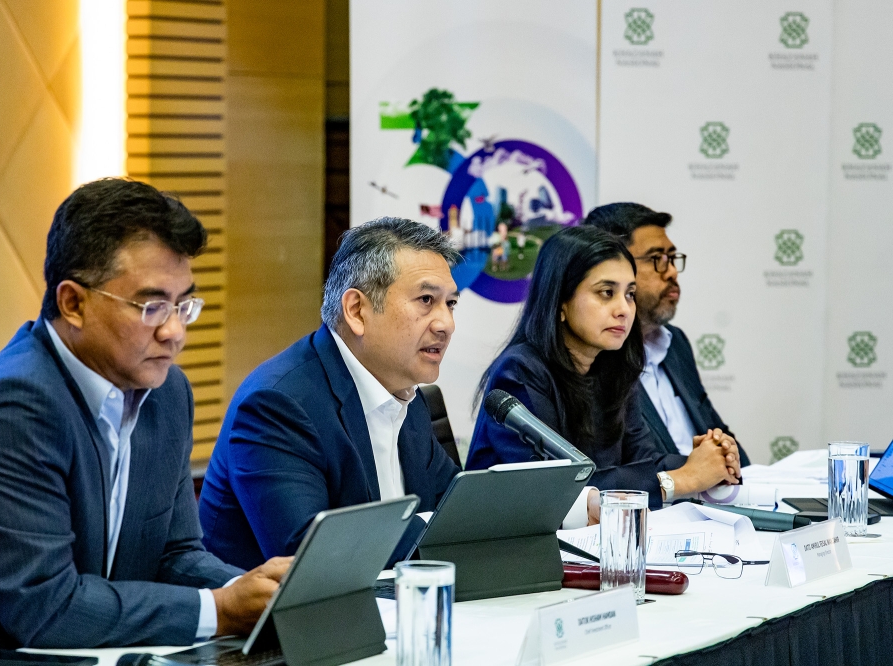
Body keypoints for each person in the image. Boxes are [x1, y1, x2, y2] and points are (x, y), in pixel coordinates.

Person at [0, 179, 290, 666]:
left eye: (184, 304)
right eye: (152, 307)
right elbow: (45, 609)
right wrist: (220, 610)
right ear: (73, 303)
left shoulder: (167, 392)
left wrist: (251, 589)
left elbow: (175, 554)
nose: (175, 332)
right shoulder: (12, 407)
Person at [199, 217, 461, 570]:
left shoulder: (407, 396)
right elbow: (309, 554)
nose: (445, 323)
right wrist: (429, 530)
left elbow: (453, 515)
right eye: (426, 300)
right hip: (270, 622)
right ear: (356, 311)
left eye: (451, 304)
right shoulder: (278, 405)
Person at [466, 225, 739, 515]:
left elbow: (644, 460)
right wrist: (680, 479)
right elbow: (554, 490)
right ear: (560, 302)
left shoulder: (614, 367)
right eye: (606, 292)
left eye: (630, 294)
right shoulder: (520, 372)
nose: (624, 309)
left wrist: (706, 460)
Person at [584, 203, 750, 472]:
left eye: (672, 258)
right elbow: (632, 467)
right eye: (656, 259)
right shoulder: (595, 357)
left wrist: (727, 459)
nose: (671, 271)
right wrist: (697, 471)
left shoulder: (676, 343)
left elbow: (717, 430)